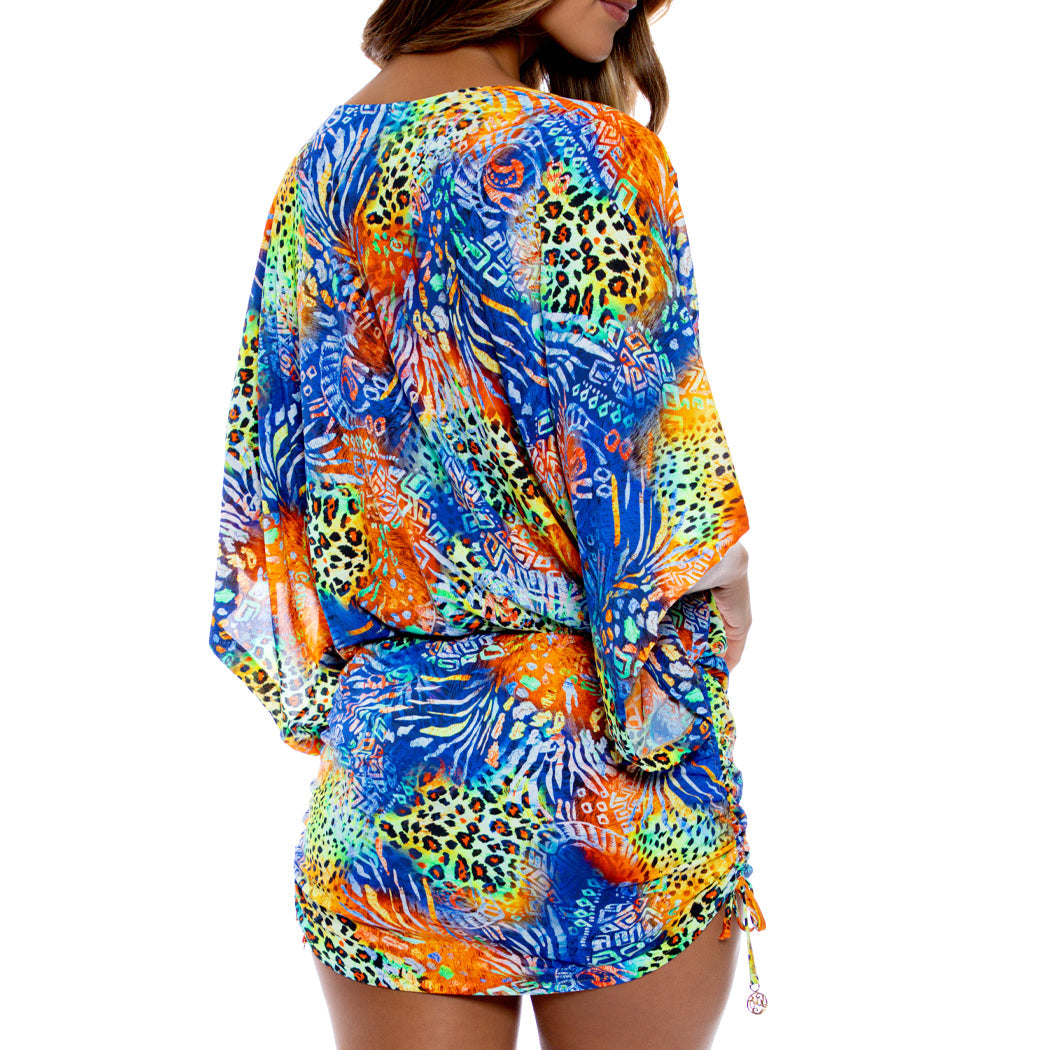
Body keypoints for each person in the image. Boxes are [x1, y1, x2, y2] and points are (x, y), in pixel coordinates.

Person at [206, 1, 766, 1047]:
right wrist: (707, 634)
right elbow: (661, 506)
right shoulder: (590, 151)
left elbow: (267, 500)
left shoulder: (320, 169)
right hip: (611, 783)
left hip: (397, 776)